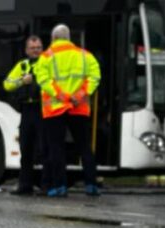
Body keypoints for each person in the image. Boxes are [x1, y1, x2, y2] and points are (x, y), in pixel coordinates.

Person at [34, 24, 101, 197]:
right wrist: (81, 93)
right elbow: (95, 76)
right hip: (79, 108)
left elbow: (43, 80)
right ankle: (91, 185)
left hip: (55, 109)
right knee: (84, 147)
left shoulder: (46, 57)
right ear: (69, 38)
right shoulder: (85, 55)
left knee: (56, 148)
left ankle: (60, 186)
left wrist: (61, 95)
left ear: (53, 38)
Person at [3, 35, 48, 195]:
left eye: (38, 48)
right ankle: (25, 185)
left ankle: (46, 186)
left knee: (44, 149)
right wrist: (22, 81)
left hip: (42, 109)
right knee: (26, 148)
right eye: (32, 48)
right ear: (26, 50)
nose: (36, 50)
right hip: (27, 110)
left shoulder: (47, 63)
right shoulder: (22, 65)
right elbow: (7, 84)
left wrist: (35, 81)